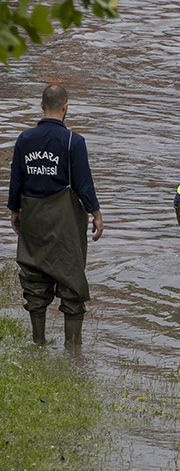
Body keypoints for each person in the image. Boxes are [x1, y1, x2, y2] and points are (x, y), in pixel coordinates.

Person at [7, 84, 104, 346]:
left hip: (33, 217)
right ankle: (73, 350)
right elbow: (84, 184)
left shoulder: (24, 139)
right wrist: (96, 213)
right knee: (71, 278)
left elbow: (16, 181)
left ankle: (38, 341)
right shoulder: (75, 141)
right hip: (66, 223)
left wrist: (14, 210)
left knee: (34, 277)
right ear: (65, 107)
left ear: (41, 106)